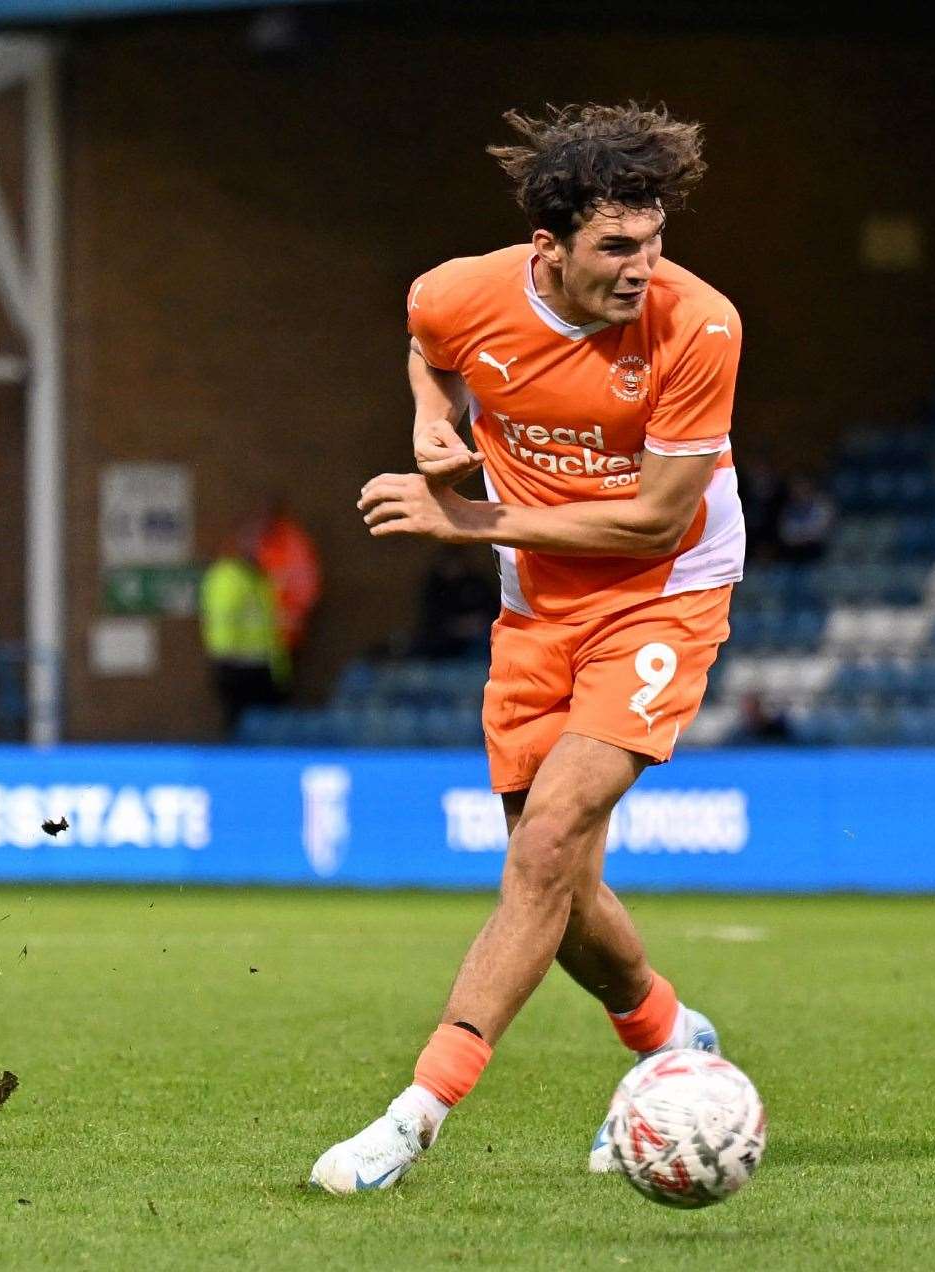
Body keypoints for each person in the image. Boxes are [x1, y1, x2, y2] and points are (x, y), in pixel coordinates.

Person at [311, 103, 743, 1194]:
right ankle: (671, 1038)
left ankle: (413, 1117)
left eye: (653, 243)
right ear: (546, 248)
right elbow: (428, 339)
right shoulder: (461, 292)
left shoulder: (700, 327)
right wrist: (430, 412)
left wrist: (461, 519)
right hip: (536, 601)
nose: (642, 268)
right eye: (614, 247)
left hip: (660, 594)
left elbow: (650, 522)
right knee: (552, 885)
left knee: (545, 841)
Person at [200, 522, 289, 732]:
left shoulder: (258, 578)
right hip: (238, 667)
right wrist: (225, 662)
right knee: (243, 727)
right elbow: (223, 621)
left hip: (264, 666)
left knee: (266, 730)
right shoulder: (228, 577)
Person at [252, 496, 321, 653]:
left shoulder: (293, 544)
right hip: (257, 637)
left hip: (285, 631)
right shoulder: (257, 541)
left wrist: (294, 615)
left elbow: (307, 586)